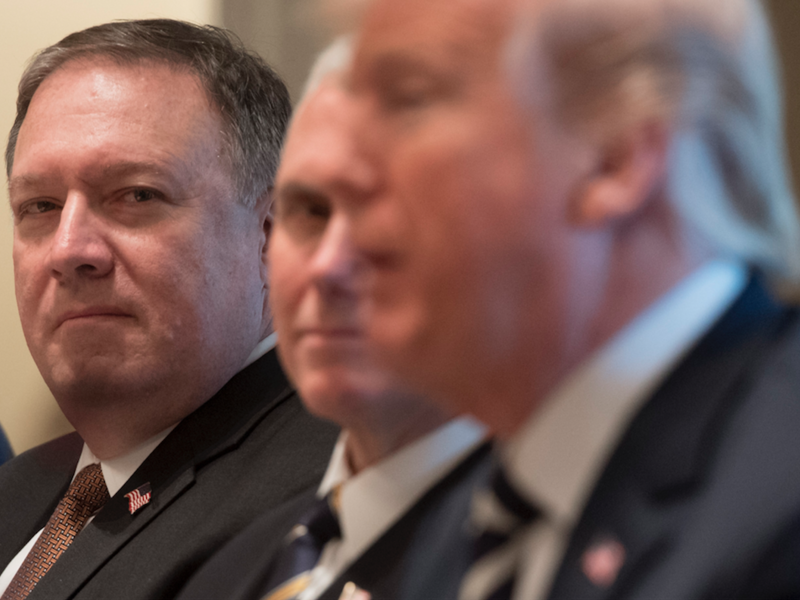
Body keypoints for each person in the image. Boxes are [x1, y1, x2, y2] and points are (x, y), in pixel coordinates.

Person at [317, 0, 800, 598]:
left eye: (408, 99)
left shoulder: (777, 507)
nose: (337, 166)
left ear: (613, 156)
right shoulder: (466, 528)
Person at [0, 19, 338, 600]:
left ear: (270, 236)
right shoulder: (19, 487)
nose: (69, 250)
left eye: (136, 195)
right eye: (40, 206)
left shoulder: (328, 491)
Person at [176, 39, 490, 600]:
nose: (327, 267)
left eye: (390, 211)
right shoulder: (229, 572)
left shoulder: (564, 546)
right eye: (310, 211)